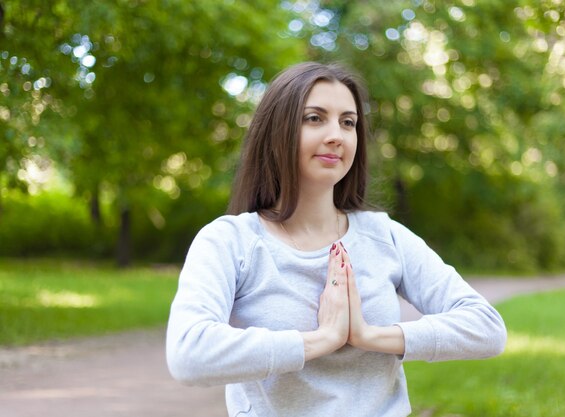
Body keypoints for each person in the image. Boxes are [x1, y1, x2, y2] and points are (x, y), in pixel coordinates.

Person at [166, 62, 507, 416]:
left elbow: (486, 327)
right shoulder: (231, 241)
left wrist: (368, 335)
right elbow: (189, 353)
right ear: (276, 130)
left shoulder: (383, 235)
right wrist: (319, 340)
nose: (337, 135)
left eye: (348, 122)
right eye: (314, 118)